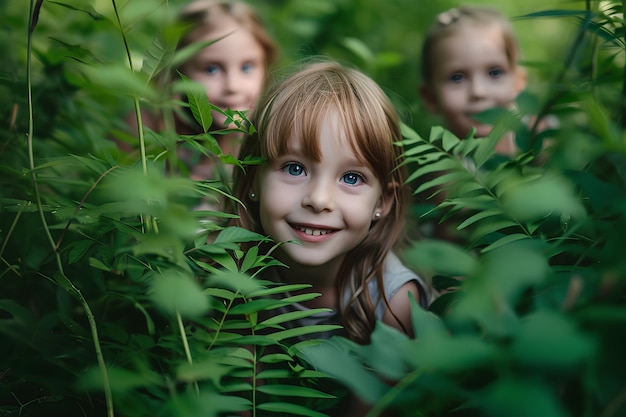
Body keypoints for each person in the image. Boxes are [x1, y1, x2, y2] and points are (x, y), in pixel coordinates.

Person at [231, 60, 429, 346]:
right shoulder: (231, 279)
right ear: (252, 181)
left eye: (350, 177)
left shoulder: (394, 303)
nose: (319, 200)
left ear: (383, 201)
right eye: (294, 169)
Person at [124, 0, 279, 181]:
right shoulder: (143, 131)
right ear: (177, 71)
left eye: (247, 68)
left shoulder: (267, 139)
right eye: (212, 69)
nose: (233, 86)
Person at [418, 5, 528, 156]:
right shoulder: (442, 173)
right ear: (431, 98)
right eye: (457, 78)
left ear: (518, 82)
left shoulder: (541, 141)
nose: (478, 91)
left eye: (495, 73)